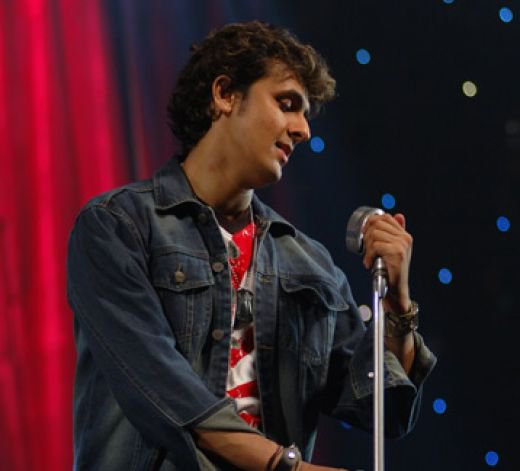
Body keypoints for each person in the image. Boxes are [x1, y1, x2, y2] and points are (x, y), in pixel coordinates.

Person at [67, 21, 436, 471]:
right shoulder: (117, 226)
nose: (303, 130)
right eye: (287, 104)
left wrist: (397, 305)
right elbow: (160, 386)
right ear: (225, 94)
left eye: (305, 115)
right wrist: (287, 467)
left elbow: (384, 412)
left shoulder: (309, 263)